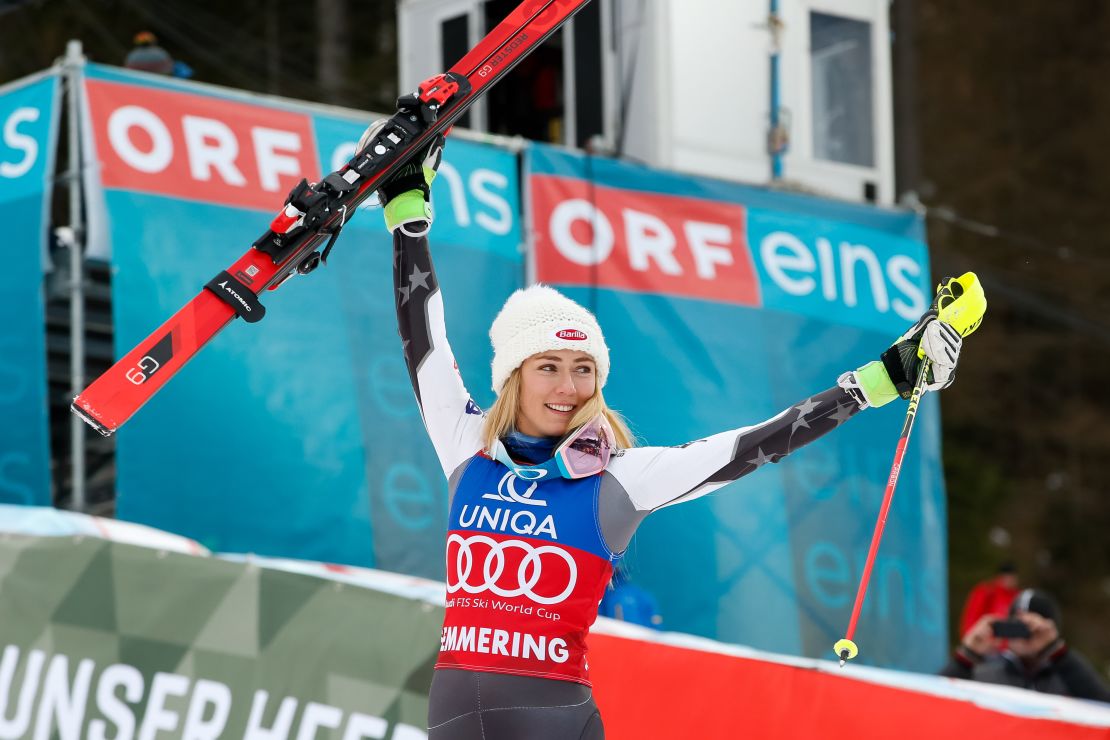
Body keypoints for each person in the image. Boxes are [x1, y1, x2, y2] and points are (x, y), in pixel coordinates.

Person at [372, 126, 974, 739]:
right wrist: (407, 214)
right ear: (513, 380)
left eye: (584, 370)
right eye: (548, 368)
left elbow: (753, 445)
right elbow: (424, 340)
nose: (568, 387)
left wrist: (880, 380)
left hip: (553, 719)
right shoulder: (467, 444)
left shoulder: (621, 477)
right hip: (453, 713)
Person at [941, 588, 1110, 702]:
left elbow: (1102, 706)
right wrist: (967, 655)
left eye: (1031, 629)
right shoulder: (983, 675)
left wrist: (1057, 652)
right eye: (1016, 626)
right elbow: (931, 702)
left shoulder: (1069, 677)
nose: (1023, 636)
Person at [958, 561, 1020, 636]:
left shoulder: (1017, 595)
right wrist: (970, 638)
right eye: (1007, 576)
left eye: (1012, 577)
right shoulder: (987, 591)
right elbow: (971, 617)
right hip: (987, 642)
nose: (1010, 580)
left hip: (1012, 643)